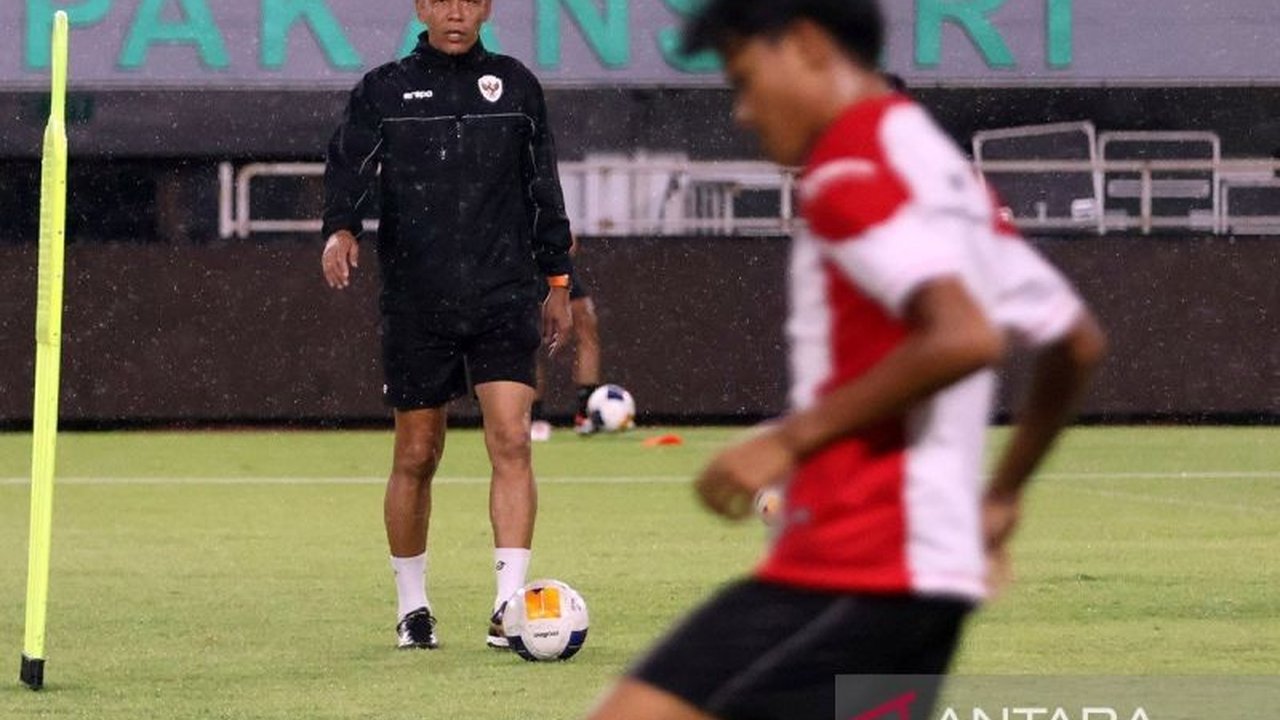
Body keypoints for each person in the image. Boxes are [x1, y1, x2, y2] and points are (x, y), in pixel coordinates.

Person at [585, 1, 1107, 718]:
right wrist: (1003, 494)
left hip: (860, 562)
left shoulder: (846, 168)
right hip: (924, 573)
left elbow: (964, 335)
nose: (741, 112)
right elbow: (1075, 341)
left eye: (743, 78)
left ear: (804, 45)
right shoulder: (938, 166)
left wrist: (787, 440)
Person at [320, 0, 574, 651]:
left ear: (486, 7)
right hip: (417, 301)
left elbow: (543, 183)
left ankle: (508, 606)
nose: (455, 12)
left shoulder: (516, 87)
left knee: (511, 440)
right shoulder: (384, 88)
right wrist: (340, 228)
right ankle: (413, 609)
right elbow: (347, 164)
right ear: (421, 7)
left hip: (502, 293)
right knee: (417, 452)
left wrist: (558, 281)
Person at [531, 236, 603, 441]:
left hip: (555, 265)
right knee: (531, 339)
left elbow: (569, 240)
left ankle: (585, 413)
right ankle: (534, 417)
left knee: (587, 331)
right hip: (526, 263)